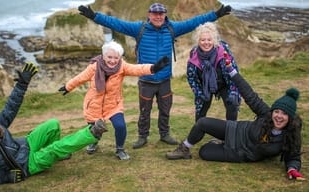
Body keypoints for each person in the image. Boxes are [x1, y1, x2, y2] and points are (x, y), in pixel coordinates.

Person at [78, 2, 232, 149]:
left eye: (161, 14)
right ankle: (142, 136)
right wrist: (94, 16)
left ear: (165, 15)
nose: (158, 17)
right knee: (144, 111)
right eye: (155, 14)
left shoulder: (172, 28)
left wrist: (216, 14)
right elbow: (116, 23)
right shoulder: (139, 28)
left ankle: (164, 134)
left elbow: (194, 22)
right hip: (146, 80)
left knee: (165, 110)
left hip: (164, 80)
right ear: (149, 15)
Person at [165, 56, 305, 181]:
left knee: (204, 152)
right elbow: (249, 95)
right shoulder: (266, 114)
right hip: (236, 130)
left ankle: (220, 143)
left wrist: (292, 169)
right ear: (273, 111)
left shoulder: (291, 134)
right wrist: (232, 71)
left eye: (284, 114)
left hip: (240, 153)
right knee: (202, 123)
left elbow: (293, 156)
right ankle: (184, 149)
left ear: (290, 118)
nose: (279, 116)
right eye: (277, 112)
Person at [0, 62, 108, 185]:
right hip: (27, 165)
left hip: (26, 145)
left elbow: (11, 106)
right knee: (54, 149)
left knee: (52, 124)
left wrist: (22, 85)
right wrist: (5, 177)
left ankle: (57, 155)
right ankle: (92, 132)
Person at [58, 41, 170, 160]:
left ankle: (120, 149)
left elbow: (137, 69)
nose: (112, 60)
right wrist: (68, 86)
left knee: (120, 126)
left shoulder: (122, 67)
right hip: (94, 105)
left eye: (116, 57)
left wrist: (153, 68)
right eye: (109, 57)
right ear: (103, 55)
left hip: (113, 104)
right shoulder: (94, 67)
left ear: (120, 58)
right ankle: (93, 142)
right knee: (94, 130)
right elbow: (80, 78)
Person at [187, 22, 240, 122]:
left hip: (224, 84)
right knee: (201, 108)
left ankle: (231, 132)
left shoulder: (223, 52)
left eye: (209, 39)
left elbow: (234, 72)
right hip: (204, 86)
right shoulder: (194, 55)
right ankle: (197, 133)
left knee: (232, 105)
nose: (206, 43)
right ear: (198, 41)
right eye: (202, 40)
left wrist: (233, 91)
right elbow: (191, 77)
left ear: (214, 40)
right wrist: (198, 93)